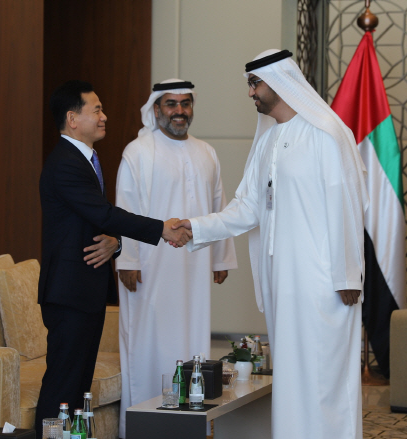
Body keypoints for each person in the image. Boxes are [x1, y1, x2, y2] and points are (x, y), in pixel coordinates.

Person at [173, 49, 368, 439]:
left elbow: (347, 202)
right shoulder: (267, 141)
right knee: (293, 377)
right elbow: (247, 208)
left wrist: (348, 273)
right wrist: (194, 227)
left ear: (280, 81)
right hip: (283, 281)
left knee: (324, 378)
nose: (251, 93)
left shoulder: (327, 133)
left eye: (255, 83)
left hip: (324, 282)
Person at [35, 80, 191, 438]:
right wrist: (161, 229)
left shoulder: (84, 159)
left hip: (83, 291)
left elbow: (97, 224)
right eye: (97, 110)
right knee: (62, 387)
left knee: (76, 388)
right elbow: (104, 213)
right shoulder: (65, 164)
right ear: (73, 119)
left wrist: (116, 243)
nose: (104, 116)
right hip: (69, 294)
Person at [115, 79, 237, 437]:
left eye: (186, 103)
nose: (179, 111)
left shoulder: (206, 151)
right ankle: (144, 426)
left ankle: (188, 424)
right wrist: (128, 259)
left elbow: (218, 207)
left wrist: (219, 258)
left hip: (195, 265)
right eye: (171, 104)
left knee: (192, 338)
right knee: (148, 342)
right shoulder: (138, 151)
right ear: (156, 109)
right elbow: (125, 208)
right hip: (149, 268)